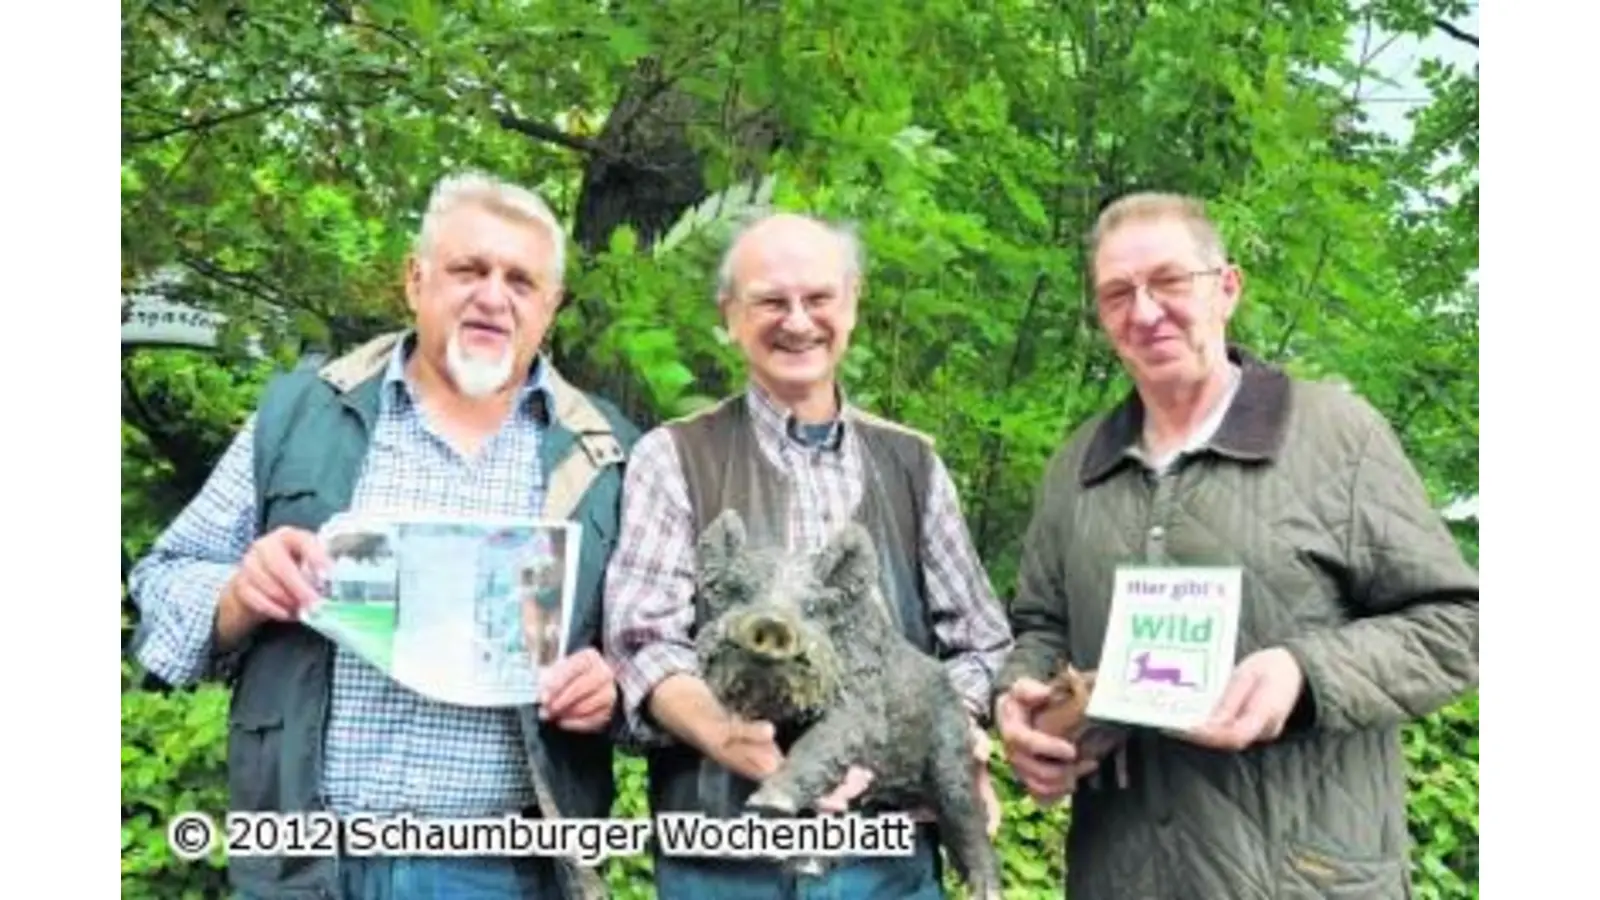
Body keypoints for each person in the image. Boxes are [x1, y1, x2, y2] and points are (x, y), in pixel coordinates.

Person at [126, 172, 640, 900]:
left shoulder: (609, 457)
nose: (494, 296)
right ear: (415, 279)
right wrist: (240, 592)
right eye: (469, 270)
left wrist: (614, 690)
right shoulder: (302, 414)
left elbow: (655, 651)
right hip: (306, 863)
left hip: (504, 871)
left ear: (550, 308)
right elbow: (164, 579)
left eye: (521, 281)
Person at [992, 191, 1479, 899]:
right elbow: (1039, 625)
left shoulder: (1336, 437)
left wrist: (1306, 673)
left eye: (1169, 281)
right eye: (1118, 293)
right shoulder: (1077, 467)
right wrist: (1020, 703)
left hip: (1305, 879)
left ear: (1227, 288)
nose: (1146, 310)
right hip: (1122, 875)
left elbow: (1460, 625)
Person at [603, 213, 1015, 898]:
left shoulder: (913, 464)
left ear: (851, 304)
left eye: (819, 298)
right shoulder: (673, 456)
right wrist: (726, 734)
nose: (798, 321)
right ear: (729, 315)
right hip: (724, 861)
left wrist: (950, 726)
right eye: (770, 300)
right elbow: (641, 639)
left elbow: (981, 642)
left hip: (887, 861)